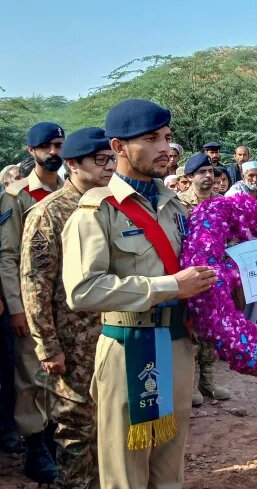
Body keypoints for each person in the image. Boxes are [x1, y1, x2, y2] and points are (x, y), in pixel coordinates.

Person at [62, 99, 218, 489]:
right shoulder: (96, 211)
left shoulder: (175, 208)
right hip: (128, 346)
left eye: (167, 137)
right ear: (118, 148)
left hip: (178, 343)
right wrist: (169, 286)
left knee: (169, 469)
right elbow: (82, 290)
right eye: (151, 139)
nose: (166, 147)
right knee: (126, 474)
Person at [21, 127, 115, 488]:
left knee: (111, 426)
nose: (109, 166)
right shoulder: (49, 213)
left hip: (113, 334)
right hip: (72, 342)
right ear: (73, 164)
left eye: (112, 158)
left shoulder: (111, 205)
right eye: (100, 159)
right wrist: (48, 347)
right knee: (76, 430)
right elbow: (35, 285)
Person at [0, 121, 65, 483]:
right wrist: (17, 307)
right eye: (46, 147)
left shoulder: (73, 191)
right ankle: (36, 446)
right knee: (31, 375)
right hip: (30, 301)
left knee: (65, 373)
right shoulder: (16, 196)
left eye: (58, 145)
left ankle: (58, 438)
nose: (53, 152)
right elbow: (7, 256)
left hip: (66, 301)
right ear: (31, 152)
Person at [179, 154, 233, 407]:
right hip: (188, 277)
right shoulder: (178, 204)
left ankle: (208, 381)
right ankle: (189, 384)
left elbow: (231, 238)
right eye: (202, 172)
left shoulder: (221, 203)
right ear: (189, 177)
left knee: (211, 330)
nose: (208, 176)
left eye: (211, 172)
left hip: (217, 276)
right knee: (190, 332)